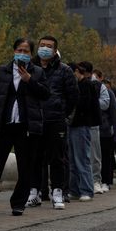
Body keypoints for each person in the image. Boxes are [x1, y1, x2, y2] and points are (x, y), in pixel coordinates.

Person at [0, 38, 50, 216]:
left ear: (31, 54)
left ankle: (18, 203)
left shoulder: (37, 72)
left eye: (26, 51)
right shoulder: (3, 70)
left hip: (26, 126)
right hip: (5, 125)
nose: (22, 54)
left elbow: (45, 94)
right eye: (19, 50)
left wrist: (30, 80)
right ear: (14, 51)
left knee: (25, 166)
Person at [27, 36, 79, 210]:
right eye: (42, 45)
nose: (45, 49)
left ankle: (57, 192)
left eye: (49, 46)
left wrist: (63, 113)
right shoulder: (30, 68)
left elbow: (73, 96)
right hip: (35, 119)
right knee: (34, 158)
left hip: (55, 120)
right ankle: (34, 192)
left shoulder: (64, 70)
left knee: (57, 158)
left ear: (55, 50)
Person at [67, 63, 95, 201]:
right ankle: (74, 189)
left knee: (82, 159)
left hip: (81, 125)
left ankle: (86, 190)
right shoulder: (74, 86)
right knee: (72, 159)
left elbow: (85, 105)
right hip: (71, 125)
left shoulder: (86, 85)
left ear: (77, 72)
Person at [88, 68, 110, 194]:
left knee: (95, 154)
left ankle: (96, 181)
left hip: (93, 124)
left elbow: (106, 104)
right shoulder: (74, 82)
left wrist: (91, 102)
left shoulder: (99, 87)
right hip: (77, 124)